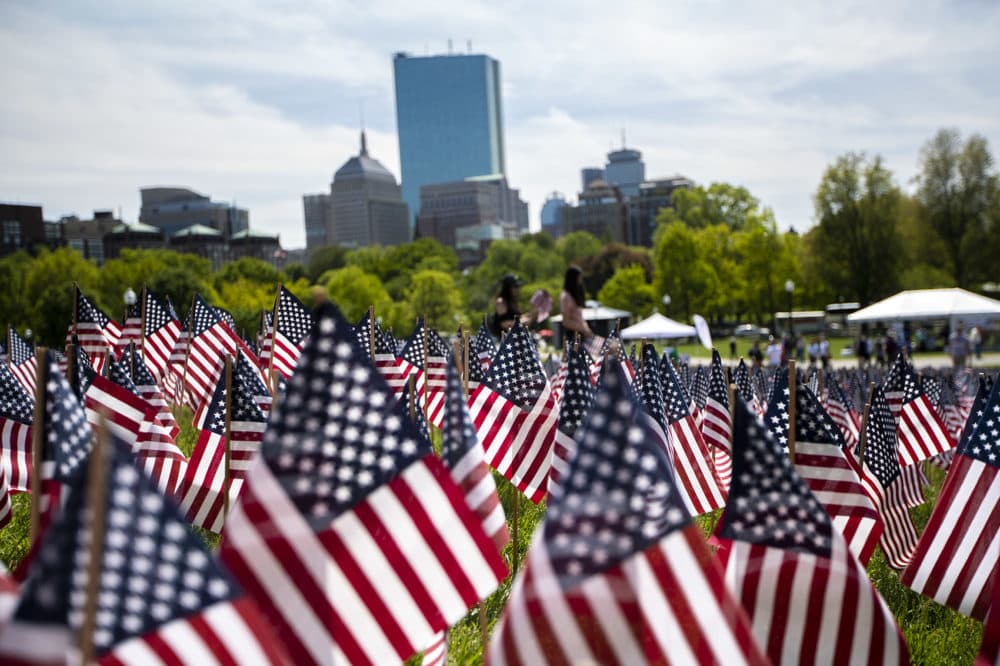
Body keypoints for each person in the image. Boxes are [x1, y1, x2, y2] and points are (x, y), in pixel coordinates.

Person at [559, 265, 594, 340]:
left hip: (581, 334)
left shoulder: (575, 295)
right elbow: (566, 322)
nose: (580, 281)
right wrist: (582, 328)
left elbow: (580, 317)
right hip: (572, 335)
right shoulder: (566, 296)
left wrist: (586, 328)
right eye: (579, 278)